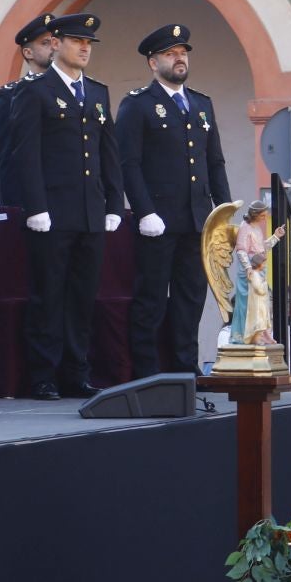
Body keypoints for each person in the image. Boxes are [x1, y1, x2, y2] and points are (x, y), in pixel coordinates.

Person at [8, 12, 122, 400]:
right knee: (48, 295)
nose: (85, 47)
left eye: (89, 42)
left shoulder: (97, 92)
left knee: (82, 297)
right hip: (53, 213)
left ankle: (76, 371)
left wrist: (113, 203)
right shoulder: (36, 91)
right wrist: (36, 206)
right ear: (55, 44)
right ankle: (43, 374)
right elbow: (27, 155)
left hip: (89, 211)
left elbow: (109, 152)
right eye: (77, 41)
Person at [117, 24, 232, 379]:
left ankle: (184, 366)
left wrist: (223, 212)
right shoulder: (138, 105)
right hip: (159, 219)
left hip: (197, 219)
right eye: (170, 53)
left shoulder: (201, 103)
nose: (179, 58)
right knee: (151, 297)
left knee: (191, 297)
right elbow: (128, 163)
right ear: (153, 63)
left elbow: (215, 162)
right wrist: (143, 210)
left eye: (183, 52)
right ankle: (147, 371)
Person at [0, 12, 57, 206]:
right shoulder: (9, 96)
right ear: (28, 53)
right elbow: (4, 155)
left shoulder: (76, 93)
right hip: (28, 200)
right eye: (45, 43)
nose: (53, 48)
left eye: (55, 42)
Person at [227, 201, 284, 346]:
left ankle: (263, 334)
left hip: (259, 268)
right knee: (249, 305)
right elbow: (241, 250)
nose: (265, 218)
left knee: (262, 304)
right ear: (256, 215)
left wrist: (275, 237)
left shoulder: (257, 228)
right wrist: (248, 269)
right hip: (250, 272)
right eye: (263, 215)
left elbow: (261, 248)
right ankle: (248, 336)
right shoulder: (244, 227)